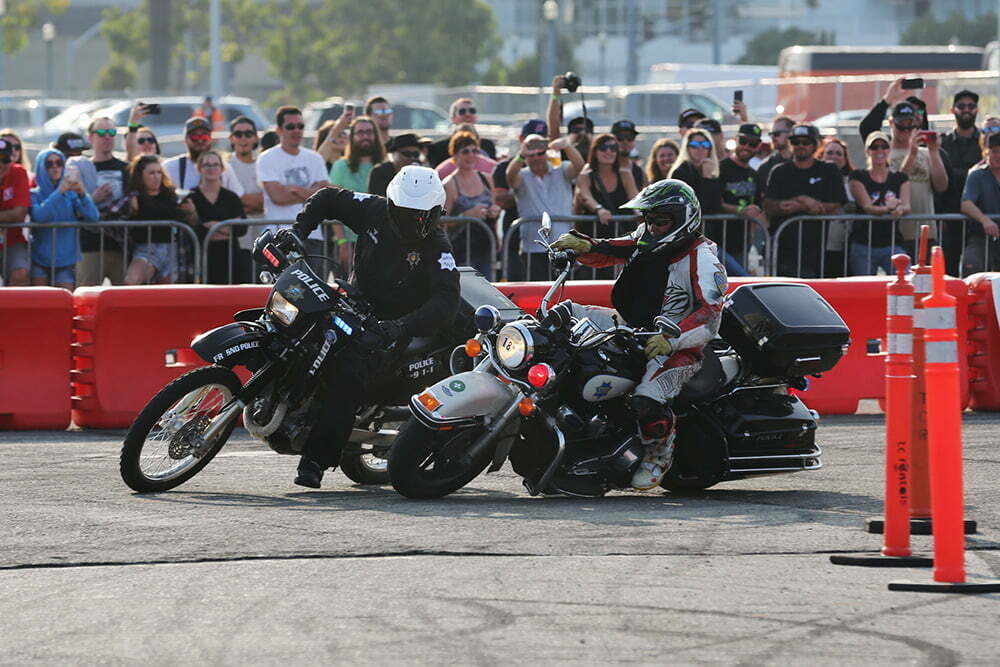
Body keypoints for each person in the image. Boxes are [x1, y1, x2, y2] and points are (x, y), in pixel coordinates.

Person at [266, 165, 461, 489]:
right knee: (297, 329)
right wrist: (299, 232)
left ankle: (316, 458)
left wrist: (400, 327)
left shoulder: (438, 247)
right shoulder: (373, 210)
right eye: (404, 212)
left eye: (421, 216)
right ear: (391, 203)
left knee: (348, 374)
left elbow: (447, 301)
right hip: (352, 299)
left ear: (436, 212)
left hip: (388, 326)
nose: (412, 222)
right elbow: (327, 198)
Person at [550, 179, 725, 489]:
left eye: (660, 220)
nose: (652, 226)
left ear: (682, 219)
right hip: (631, 327)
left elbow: (710, 316)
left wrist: (671, 339)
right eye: (648, 219)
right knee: (564, 315)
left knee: (646, 398)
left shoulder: (704, 260)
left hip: (678, 348)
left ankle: (659, 453)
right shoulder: (647, 239)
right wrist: (585, 245)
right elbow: (614, 248)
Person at [764, 124, 847, 277]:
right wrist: (800, 201)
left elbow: (836, 202)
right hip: (783, 249)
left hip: (818, 250)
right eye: (796, 142)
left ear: (815, 145)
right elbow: (768, 204)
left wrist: (802, 206)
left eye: (806, 142)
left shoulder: (829, 170)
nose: (801, 146)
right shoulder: (779, 171)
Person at [257, 105, 331, 273]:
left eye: (300, 126)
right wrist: (312, 193)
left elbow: (326, 194)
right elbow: (278, 197)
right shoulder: (267, 158)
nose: (296, 130)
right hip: (279, 238)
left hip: (312, 236)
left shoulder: (315, 158)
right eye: (290, 126)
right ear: (279, 130)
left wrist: (294, 189)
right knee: (278, 295)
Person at [505, 133, 584, 279]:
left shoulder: (561, 170)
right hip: (533, 247)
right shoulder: (522, 176)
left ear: (546, 153)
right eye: (531, 155)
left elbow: (580, 166)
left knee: (564, 291)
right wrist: (521, 155)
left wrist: (567, 146)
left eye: (540, 153)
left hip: (563, 245)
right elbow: (510, 176)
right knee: (537, 293)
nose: (536, 158)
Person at [880, 100, 949, 258]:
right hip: (897, 234)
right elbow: (894, 185)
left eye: (910, 125)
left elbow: (941, 186)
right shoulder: (882, 152)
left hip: (926, 231)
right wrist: (911, 154)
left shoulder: (926, 153)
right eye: (901, 125)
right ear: (891, 123)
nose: (906, 130)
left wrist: (933, 151)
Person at [67, 117, 130, 286]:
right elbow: (72, 207)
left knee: (125, 303)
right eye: (101, 133)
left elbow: (132, 204)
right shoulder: (80, 167)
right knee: (86, 301)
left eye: (111, 132)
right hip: (89, 245)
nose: (107, 137)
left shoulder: (125, 168)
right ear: (90, 137)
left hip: (119, 245)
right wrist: (92, 200)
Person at [29, 148, 100, 290]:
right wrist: (59, 191)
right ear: (41, 168)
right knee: (40, 301)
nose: (55, 167)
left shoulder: (71, 194)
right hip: (39, 259)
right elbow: (39, 216)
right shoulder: (33, 194)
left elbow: (94, 217)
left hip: (66, 261)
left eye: (59, 163)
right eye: (49, 164)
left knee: (65, 300)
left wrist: (82, 194)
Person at [124, 155, 198, 285]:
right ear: (140, 175)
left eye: (159, 172)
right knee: (132, 281)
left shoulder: (171, 196)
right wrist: (130, 209)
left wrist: (191, 211)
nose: (156, 176)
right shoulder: (134, 197)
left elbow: (191, 222)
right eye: (151, 173)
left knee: (166, 296)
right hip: (146, 248)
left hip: (173, 249)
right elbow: (112, 217)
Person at [847, 131, 910, 275]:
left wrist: (899, 209)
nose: (879, 150)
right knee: (864, 290)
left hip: (892, 242)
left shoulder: (900, 177)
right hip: (864, 243)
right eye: (874, 147)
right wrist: (889, 208)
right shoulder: (858, 176)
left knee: (905, 283)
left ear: (889, 150)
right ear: (867, 151)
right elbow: (867, 207)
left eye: (884, 146)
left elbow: (907, 206)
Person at [493, 119, 548, 281]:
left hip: (549, 240)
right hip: (517, 238)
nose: (536, 143)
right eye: (531, 139)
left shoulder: (555, 168)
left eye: (541, 139)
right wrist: (525, 192)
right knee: (518, 284)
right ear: (521, 139)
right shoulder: (505, 167)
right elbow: (500, 199)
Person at [442, 131, 500, 276]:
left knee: (489, 290)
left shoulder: (486, 178)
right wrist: (466, 215)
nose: (471, 155)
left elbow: (494, 205)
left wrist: (495, 211)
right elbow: (443, 221)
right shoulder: (450, 184)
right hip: (461, 251)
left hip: (486, 246)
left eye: (475, 151)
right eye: (465, 151)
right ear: (454, 155)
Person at [190, 151, 250, 284]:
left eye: (215, 165)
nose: (211, 168)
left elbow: (241, 229)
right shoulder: (191, 197)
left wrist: (213, 226)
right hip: (203, 259)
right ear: (199, 169)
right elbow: (194, 230)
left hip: (231, 258)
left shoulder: (231, 197)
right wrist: (226, 228)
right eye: (207, 165)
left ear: (222, 169)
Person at [940, 90, 982, 275]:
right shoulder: (943, 143)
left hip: (981, 218)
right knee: (949, 272)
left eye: (971, 106)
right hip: (950, 219)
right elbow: (939, 183)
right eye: (961, 106)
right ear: (952, 110)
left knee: (979, 273)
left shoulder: (986, 144)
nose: (966, 110)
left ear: (977, 110)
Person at [718, 123, 767, 273]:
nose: (747, 147)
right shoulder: (721, 168)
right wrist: (741, 210)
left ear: (758, 146)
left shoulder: (755, 174)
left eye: (752, 144)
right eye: (743, 141)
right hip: (717, 242)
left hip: (742, 245)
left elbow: (757, 207)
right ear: (735, 140)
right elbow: (714, 202)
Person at [162, 117, 244, 196]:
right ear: (185, 140)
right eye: (194, 137)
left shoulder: (225, 168)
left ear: (211, 139)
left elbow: (237, 197)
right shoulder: (170, 167)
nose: (200, 140)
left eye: (204, 137)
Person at [960, 132, 1000, 275]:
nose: (998, 156)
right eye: (994, 151)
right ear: (986, 152)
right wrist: (985, 220)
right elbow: (966, 203)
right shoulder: (976, 175)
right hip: (981, 236)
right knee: (971, 265)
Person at [817, 136, 855, 276]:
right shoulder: (814, 179)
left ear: (845, 160)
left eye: (839, 154)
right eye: (830, 153)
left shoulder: (852, 182)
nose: (834, 157)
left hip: (844, 243)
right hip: (817, 243)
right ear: (821, 155)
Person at [427, 99, 496, 167]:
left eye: (472, 111)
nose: (468, 114)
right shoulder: (437, 149)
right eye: (462, 111)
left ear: (476, 117)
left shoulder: (488, 145)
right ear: (453, 118)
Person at [0, 139, 30, 286]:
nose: (0, 165)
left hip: (12, 241)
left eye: (5, 160)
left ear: (12, 159)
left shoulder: (19, 173)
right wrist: (7, 216)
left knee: (20, 274)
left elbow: (19, 214)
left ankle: (12, 310)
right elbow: (14, 213)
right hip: (9, 236)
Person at [368, 133, 423, 197]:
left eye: (416, 154)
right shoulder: (379, 172)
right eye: (407, 154)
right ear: (394, 154)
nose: (412, 158)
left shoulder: (422, 173)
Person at [757, 116, 794, 190]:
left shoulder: (804, 162)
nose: (773, 137)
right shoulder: (765, 167)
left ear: (791, 134)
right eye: (771, 134)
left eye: (777, 134)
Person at [610, 120, 646, 188]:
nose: (625, 141)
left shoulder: (638, 171)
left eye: (630, 137)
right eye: (620, 137)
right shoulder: (604, 167)